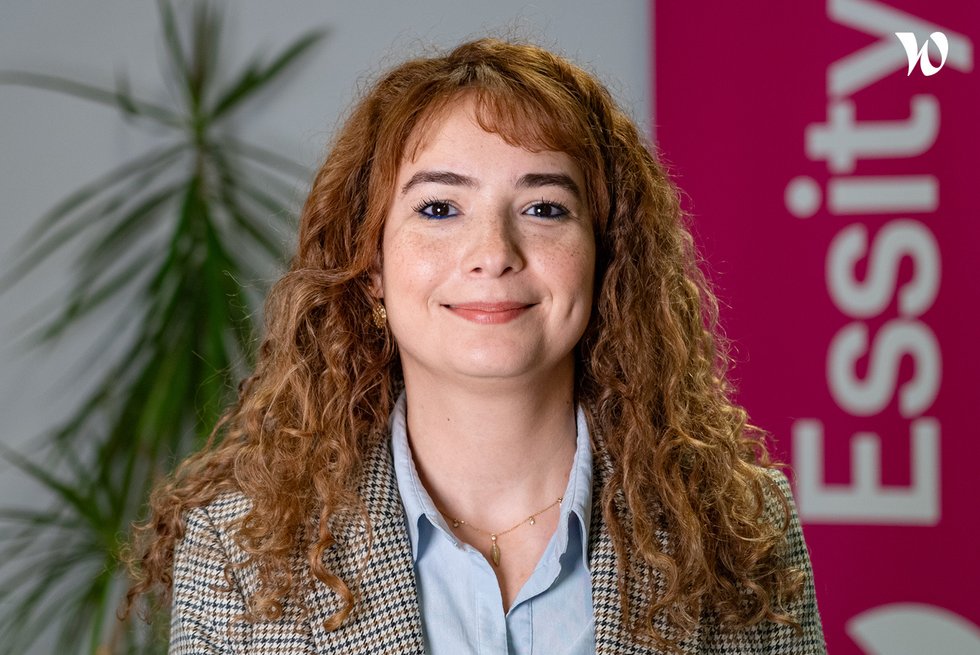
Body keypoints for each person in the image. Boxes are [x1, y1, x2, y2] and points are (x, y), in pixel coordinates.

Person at [127, 38, 826, 654]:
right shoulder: (237, 554)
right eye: (439, 209)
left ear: (605, 259)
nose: (493, 252)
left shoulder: (739, 530)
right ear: (370, 267)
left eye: (544, 208)